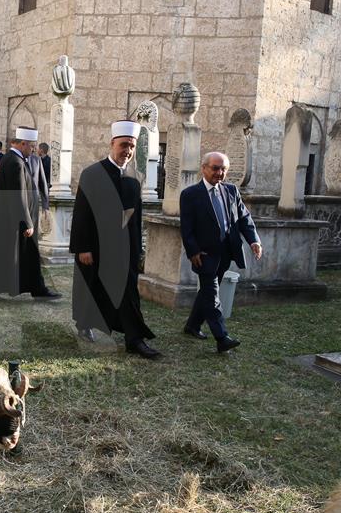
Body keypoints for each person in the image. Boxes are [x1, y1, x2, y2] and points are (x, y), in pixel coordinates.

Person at [70, 120, 161, 359]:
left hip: (124, 249)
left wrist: (138, 249)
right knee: (92, 288)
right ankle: (84, 324)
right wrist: (83, 247)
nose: (128, 151)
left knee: (128, 291)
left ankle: (134, 339)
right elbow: (82, 213)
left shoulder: (135, 176)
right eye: (124, 145)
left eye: (131, 146)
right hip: (96, 247)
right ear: (112, 144)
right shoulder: (92, 173)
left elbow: (136, 216)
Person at [180, 151, 262, 353]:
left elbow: (244, 218)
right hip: (204, 255)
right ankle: (222, 337)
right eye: (215, 168)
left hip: (227, 252)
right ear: (204, 168)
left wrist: (254, 240)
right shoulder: (190, 195)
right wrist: (193, 251)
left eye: (223, 169)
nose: (220, 173)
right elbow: (187, 227)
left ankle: (192, 325)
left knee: (207, 292)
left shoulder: (231, 191)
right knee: (212, 292)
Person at [0, 127, 60, 301]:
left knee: (4, 253)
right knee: (19, 254)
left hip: (9, 219)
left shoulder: (11, 159)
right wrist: (27, 222)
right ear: (23, 143)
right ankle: (37, 289)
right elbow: (18, 195)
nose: (33, 149)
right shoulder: (15, 162)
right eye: (31, 146)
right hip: (16, 220)